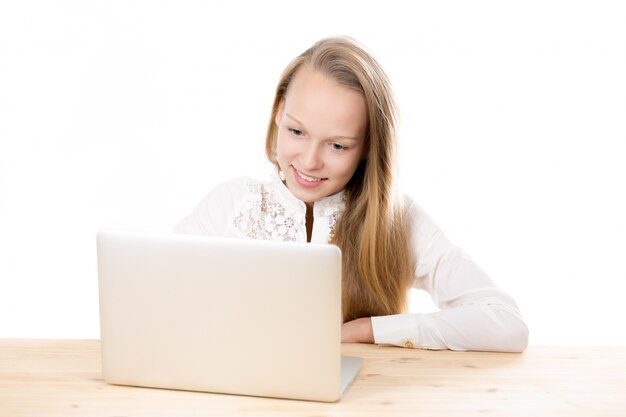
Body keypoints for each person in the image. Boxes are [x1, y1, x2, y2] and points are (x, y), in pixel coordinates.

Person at [174, 36, 529, 352]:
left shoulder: (395, 220)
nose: (310, 161)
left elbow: (505, 325)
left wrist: (370, 329)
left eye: (338, 145)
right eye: (297, 131)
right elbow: (156, 304)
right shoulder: (230, 206)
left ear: (368, 147)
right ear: (279, 112)